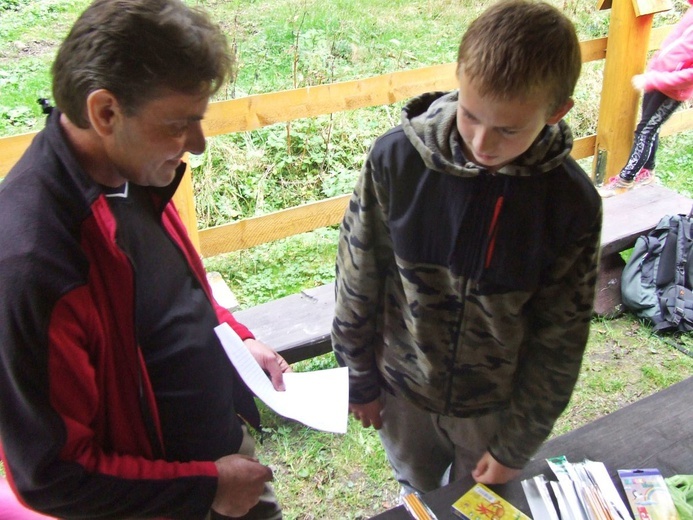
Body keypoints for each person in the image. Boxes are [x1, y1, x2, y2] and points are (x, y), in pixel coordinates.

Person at [0, 1, 291, 518]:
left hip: (221, 466)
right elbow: (52, 474)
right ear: (106, 112)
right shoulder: (33, 263)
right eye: (181, 124)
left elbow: (167, 294)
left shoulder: (131, 169)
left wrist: (238, 339)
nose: (198, 146)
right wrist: (205, 488)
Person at [331, 0, 602, 495]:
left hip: (493, 411)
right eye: (471, 115)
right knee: (415, 490)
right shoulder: (396, 160)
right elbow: (357, 273)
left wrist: (514, 447)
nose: (482, 142)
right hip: (403, 393)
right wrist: (359, 379)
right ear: (458, 78)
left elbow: (561, 338)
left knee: (479, 503)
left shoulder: (570, 205)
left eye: (508, 129)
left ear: (557, 111)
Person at [599, 0, 693, 197]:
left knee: (645, 131)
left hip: (671, 88)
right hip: (656, 77)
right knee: (650, 128)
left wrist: (657, 79)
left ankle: (625, 180)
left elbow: (690, 75)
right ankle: (646, 172)